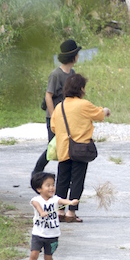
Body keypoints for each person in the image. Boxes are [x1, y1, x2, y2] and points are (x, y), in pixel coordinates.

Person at [50, 73, 110, 223]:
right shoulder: (84, 105)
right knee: (77, 181)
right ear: (81, 89)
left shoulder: (60, 106)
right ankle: (71, 212)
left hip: (63, 149)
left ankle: (59, 212)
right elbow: (99, 115)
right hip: (80, 150)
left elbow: (53, 127)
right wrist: (106, 111)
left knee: (62, 181)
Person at [32, 39, 82, 175]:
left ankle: (66, 176)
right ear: (73, 56)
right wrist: (54, 115)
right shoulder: (56, 74)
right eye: (77, 54)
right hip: (54, 116)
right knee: (54, 146)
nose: (78, 56)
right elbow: (48, 95)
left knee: (65, 147)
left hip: (66, 117)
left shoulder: (72, 73)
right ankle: (37, 171)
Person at [21, 172, 79, 260]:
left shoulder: (55, 199)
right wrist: (42, 212)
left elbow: (63, 201)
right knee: (34, 255)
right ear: (39, 189)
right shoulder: (35, 200)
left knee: (48, 257)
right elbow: (37, 205)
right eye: (48, 185)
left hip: (52, 235)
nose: (51, 188)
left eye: (53, 185)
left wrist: (71, 202)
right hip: (38, 234)